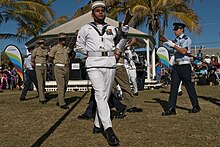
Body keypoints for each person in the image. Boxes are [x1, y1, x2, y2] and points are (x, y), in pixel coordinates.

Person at [74, 1, 128, 146]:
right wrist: (92, 53)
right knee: (99, 93)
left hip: (110, 63)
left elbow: (121, 42)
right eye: (97, 10)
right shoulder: (86, 28)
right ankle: (109, 130)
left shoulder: (112, 28)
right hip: (93, 64)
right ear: (92, 13)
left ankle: (98, 124)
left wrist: (124, 36)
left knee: (105, 95)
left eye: (102, 10)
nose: (100, 12)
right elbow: (78, 46)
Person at [162, 22, 201, 116]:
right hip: (176, 66)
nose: (175, 31)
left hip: (184, 65)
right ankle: (171, 108)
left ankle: (196, 106)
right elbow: (174, 48)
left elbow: (183, 51)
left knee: (189, 86)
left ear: (181, 29)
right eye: (174, 30)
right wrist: (168, 42)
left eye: (176, 30)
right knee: (174, 87)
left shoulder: (186, 39)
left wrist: (173, 45)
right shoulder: (176, 40)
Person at [49, 33, 73, 109]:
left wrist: (72, 55)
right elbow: (50, 58)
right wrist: (55, 62)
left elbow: (70, 56)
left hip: (66, 67)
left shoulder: (67, 48)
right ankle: (62, 103)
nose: (64, 40)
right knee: (61, 85)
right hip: (59, 67)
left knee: (65, 85)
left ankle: (60, 100)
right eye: (62, 39)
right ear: (59, 40)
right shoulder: (55, 48)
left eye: (65, 39)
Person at [31, 39, 48, 104]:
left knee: (44, 81)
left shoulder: (46, 50)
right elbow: (32, 58)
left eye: (43, 42)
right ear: (38, 44)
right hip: (38, 66)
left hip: (44, 66)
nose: (42, 44)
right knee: (40, 82)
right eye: (41, 43)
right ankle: (42, 98)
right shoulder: (35, 50)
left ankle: (43, 95)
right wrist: (33, 65)